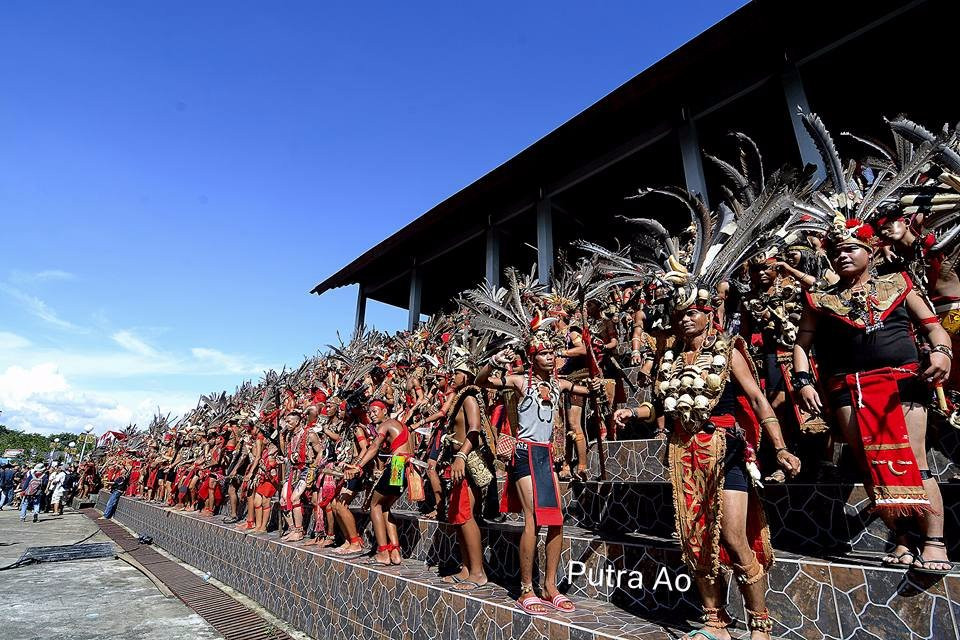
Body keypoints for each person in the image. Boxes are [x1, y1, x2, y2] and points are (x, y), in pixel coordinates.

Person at [793, 220, 954, 575]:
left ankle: (934, 541)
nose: (842, 256)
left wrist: (942, 352)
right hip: (849, 389)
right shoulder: (822, 299)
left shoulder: (899, 283)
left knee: (916, 461)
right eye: (836, 252)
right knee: (871, 465)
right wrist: (804, 381)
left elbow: (932, 326)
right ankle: (902, 536)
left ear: (870, 250)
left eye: (850, 249)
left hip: (902, 383)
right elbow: (802, 345)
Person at [475, 317, 603, 616]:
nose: (550, 357)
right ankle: (526, 588)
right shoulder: (521, 381)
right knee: (533, 518)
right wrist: (493, 361)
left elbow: (590, 392)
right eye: (544, 353)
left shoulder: (559, 384)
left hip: (547, 455)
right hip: (524, 454)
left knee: (556, 519)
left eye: (552, 353)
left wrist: (597, 384)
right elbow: (482, 381)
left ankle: (550, 586)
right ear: (533, 356)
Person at [436, 352, 495, 590]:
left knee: (466, 514)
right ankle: (466, 567)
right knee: (459, 517)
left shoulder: (470, 397)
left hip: (467, 462)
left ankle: (478, 572)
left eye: (457, 372)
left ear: (467, 375)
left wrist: (461, 455)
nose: (453, 376)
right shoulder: (460, 398)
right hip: (458, 463)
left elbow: (474, 430)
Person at [344, 398, 420, 566]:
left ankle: (383, 551)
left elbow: (373, 447)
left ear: (385, 411)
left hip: (397, 465)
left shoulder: (385, 425)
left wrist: (358, 467)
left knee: (375, 505)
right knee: (385, 507)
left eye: (374, 411)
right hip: (407, 467)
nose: (371, 415)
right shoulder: (401, 426)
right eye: (369, 412)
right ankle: (395, 552)